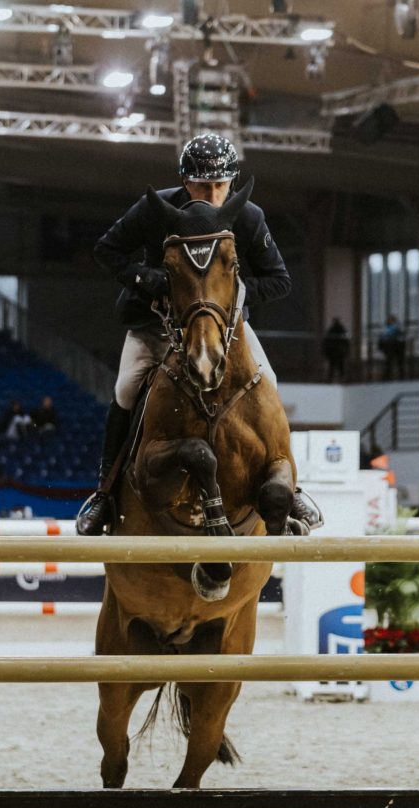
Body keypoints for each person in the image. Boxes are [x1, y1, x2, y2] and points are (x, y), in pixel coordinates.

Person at [76, 132, 321, 536]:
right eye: (202, 186)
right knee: (125, 389)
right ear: (184, 181)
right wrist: (149, 279)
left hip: (224, 330)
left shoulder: (247, 216)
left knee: (270, 382)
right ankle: (104, 492)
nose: (211, 195)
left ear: (231, 182)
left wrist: (229, 296)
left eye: (219, 186)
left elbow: (279, 280)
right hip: (155, 324)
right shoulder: (155, 209)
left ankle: (291, 488)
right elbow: (107, 250)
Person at [378, 314, 406, 380]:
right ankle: (388, 377)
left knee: (395, 363)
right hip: (391, 349)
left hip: (395, 349)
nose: (392, 322)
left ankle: (396, 377)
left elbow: (402, 339)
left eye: (393, 320)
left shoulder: (394, 330)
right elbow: (381, 340)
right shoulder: (387, 330)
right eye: (391, 320)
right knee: (390, 363)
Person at [322, 317, 350, 383]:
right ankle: (340, 378)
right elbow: (346, 342)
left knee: (333, 365)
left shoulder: (331, 330)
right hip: (339, 352)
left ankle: (331, 378)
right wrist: (346, 351)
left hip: (333, 351)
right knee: (340, 366)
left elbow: (326, 342)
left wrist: (326, 352)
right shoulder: (341, 330)